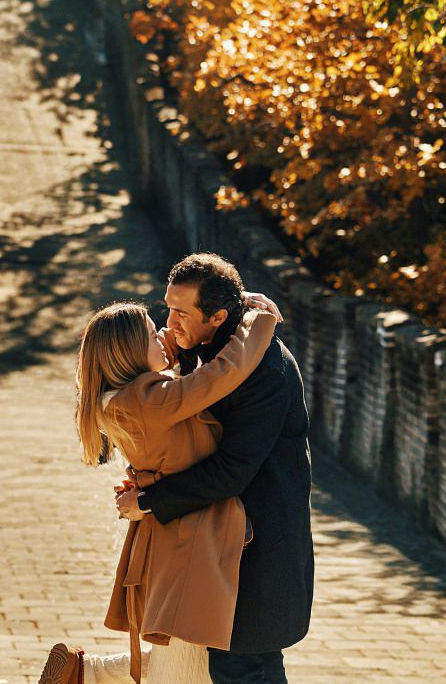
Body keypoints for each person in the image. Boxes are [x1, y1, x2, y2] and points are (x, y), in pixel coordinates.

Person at [39, 285, 283, 684]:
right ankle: (90, 674)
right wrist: (258, 321)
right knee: (193, 661)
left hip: (173, 531)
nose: (164, 334)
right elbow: (222, 375)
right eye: (154, 332)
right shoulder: (150, 399)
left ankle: (86, 673)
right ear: (133, 351)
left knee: (189, 653)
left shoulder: (119, 398)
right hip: (193, 533)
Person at [117, 254, 314, 684]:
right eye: (168, 307)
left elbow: (232, 469)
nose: (169, 322)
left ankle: (86, 672)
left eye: (181, 312)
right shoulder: (207, 343)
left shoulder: (265, 370)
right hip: (216, 543)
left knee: (243, 668)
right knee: (224, 666)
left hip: (256, 551)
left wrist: (150, 500)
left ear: (219, 316)